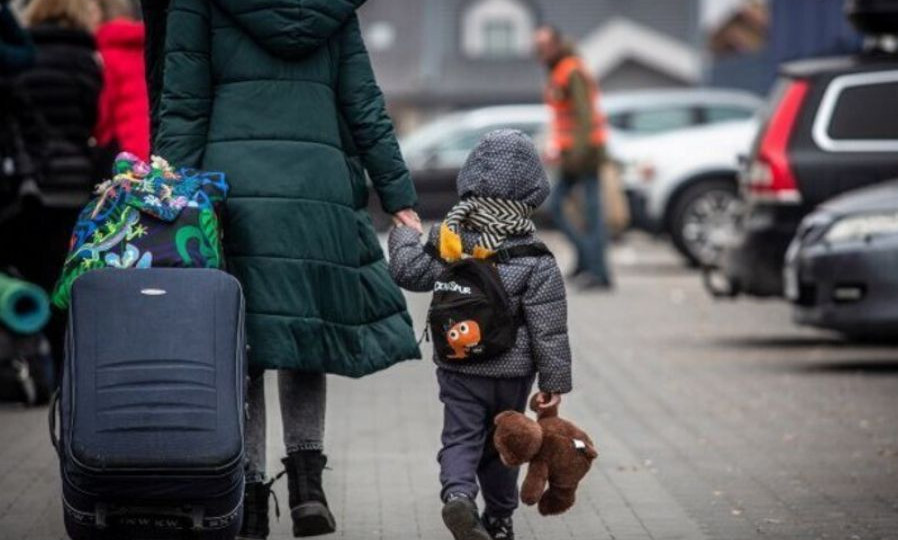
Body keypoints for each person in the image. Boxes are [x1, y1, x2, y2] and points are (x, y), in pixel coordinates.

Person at [147, 1, 422, 538]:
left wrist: (169, 199)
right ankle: (306, 485)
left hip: (233, 192)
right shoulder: (331, 6)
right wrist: (398, 195)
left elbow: (183, 104)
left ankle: (248, 496)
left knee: (240, 347)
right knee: (302, 335)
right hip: (314, 195)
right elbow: (363, 102)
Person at [389, 129, 573, 540]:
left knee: (461, 436)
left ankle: (457, 496)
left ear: (470, 176)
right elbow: (549, 326)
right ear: (533, 187)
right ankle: (500, 520)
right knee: (504, 443)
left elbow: (408, 272)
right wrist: (554, 384)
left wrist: (404, 232)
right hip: (512, 374)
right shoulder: (534, 256)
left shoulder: (450, 240)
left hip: (459, 365)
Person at [2, 0, 102, 373]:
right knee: (62, 276)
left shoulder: (18, 56)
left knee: (24, 275)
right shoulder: (85, 57)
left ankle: (27, 357)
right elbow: (95, 117)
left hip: (27, 183)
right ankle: (64, 369)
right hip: (72, 182)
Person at [534, 25, 613, 290]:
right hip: (574, 153)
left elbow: (585, 116)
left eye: (544, 45)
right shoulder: (559, 70)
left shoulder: (571, 70)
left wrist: (576, 154)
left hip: (585, 153)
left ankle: (597, 271)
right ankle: (587, 263)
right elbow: (562, 117)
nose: (540, 51)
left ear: (556, 44)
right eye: (538, 46)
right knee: (571, 210)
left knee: (587, 213)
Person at [94, 0, 149, 160]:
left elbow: (103, 115)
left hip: (126, 153)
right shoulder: (145, 48)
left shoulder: (104, 55)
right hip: (155, 144)